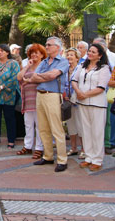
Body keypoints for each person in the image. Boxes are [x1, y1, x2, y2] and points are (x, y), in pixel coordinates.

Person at [22, 36, 69, 172]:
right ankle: (48, 156)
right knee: (43, 128)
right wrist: (43, 77)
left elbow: (52, 76)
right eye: (46, 45)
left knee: (57, 129)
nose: (46, 47)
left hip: (53, 96)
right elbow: (33, 77)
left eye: (49, 45)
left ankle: (62, 159)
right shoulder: (44, 62)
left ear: (57, 47)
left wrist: (41, 77)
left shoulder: (63, 61)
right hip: (40, 95)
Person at [72, 43, 112, 172]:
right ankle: (88, 157)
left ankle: (97, 159)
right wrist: (78, 92)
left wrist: (85, 94)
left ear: (100, 55)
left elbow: (101, 87)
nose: (90, 53)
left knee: (97, 131)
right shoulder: (82, 66)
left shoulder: (104, 68)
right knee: (86, 131)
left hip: (97, 104)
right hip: (83, 103)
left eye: (94, 52)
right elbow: (74, 80)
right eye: (90, 51)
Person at [16, 43, 46, 158]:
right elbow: (19, 77)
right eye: (32, 53)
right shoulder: (27, 65)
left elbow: (43, 78)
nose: (33, 55)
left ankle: (39, 147)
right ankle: (27, 146)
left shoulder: (44, 66)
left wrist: (29, 80)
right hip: (27, 99)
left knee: (39, 125)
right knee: (28, 124)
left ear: (42, 55)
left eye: (36, 53)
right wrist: (27, 67)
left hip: (39, 98)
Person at [93, 37, 115, 154]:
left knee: (109, 119)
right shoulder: (90, 59)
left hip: (109, 91)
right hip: (94, 92)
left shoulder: (114, 57)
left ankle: (110, 142)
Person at [64, 48, 83, 158]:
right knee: (71, 125)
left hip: (78, 100)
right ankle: (73, 147)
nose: (69, 57)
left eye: (72, 55)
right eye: (68, 55)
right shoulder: (65, 69)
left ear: (77, 57)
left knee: (80, 125)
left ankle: (83, 149)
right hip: (67, 100)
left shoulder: (81, 69)